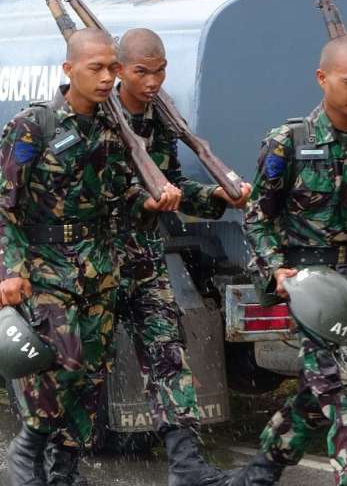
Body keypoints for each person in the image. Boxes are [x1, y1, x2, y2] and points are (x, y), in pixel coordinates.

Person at [0, 29, 179, 485]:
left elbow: (121, 193)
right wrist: (9, 272)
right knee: (64, 359)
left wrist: (148, 202)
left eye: (112, 68)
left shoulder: (114, 126)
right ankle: (29, 446)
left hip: (98, 265)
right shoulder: (33, 126)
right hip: (45, 263)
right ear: (68, 69)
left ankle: (65, 467)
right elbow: (4, 206)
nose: (106, 77)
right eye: (95, 68)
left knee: (93, 373)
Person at [104, 28, 251, 486]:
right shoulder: (98, 118)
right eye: (141, 71)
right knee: (82, 364)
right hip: (94, 260)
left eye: (160, 70)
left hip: (145, 256)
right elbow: (88, 192)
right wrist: (139, 200)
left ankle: (186, 463)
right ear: (121, 71)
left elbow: (172, 186)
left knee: (167, 353)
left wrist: (220, 195)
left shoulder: (159, 118)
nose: (152, 81)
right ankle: (52, 460)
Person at [237, 35, 347, 486]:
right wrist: (275, 270)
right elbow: (257, 219)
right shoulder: (289, 142)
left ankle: (263, 469)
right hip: (314, 290)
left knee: (318, 395)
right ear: (322, 79)